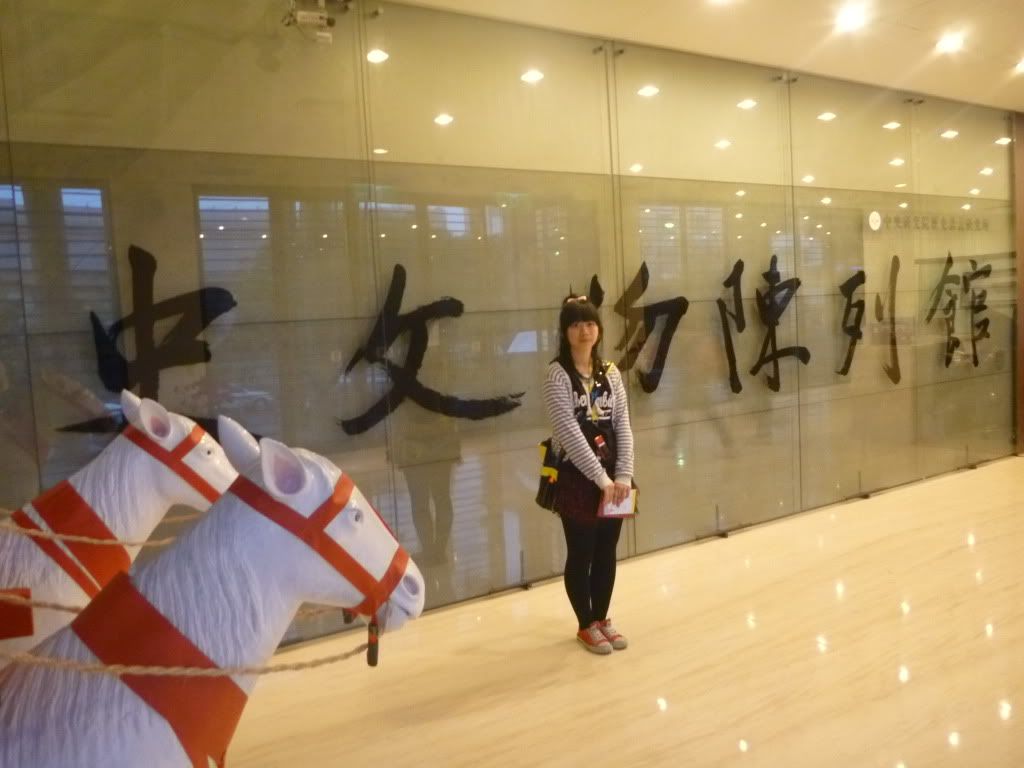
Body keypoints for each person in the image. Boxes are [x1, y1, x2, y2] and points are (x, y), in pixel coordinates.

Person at [542, 293, 634, 655]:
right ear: (565, 331)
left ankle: (602, 618)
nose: (585, 331)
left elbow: (623, 424)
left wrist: (623, 475)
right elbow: (567, 432)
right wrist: (602, 479)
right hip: (578, 478)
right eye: (577, 324)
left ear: (599, 329)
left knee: (607, 550)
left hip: (615, 477)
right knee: (581, 552)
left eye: (591, 323)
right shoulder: (557, 374)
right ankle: (585, 625)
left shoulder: (610, 372)